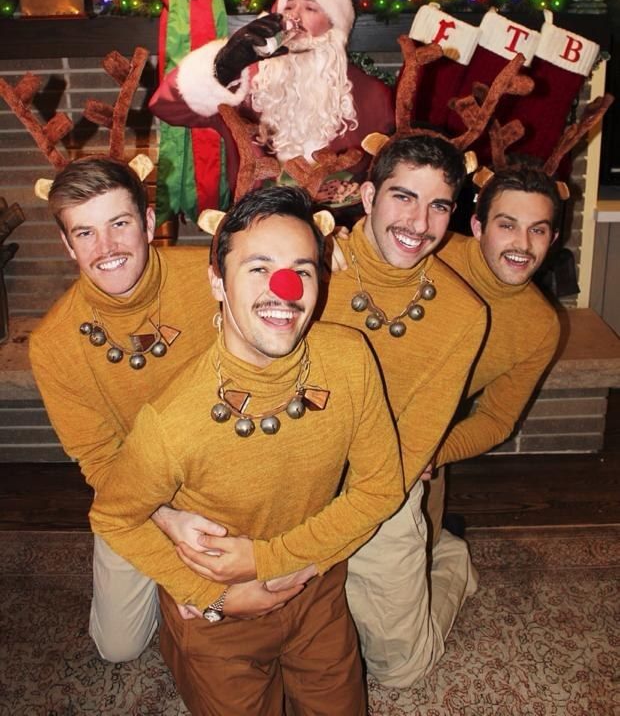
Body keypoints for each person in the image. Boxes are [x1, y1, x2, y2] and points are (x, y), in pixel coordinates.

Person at [89, 186, 404, 715]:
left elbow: (380, 487)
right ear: (217, 280)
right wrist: (206, 593)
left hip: (316, 587)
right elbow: (113, 517)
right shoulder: (172, 421)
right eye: (259, 268)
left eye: (302, 270)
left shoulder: (350, 359)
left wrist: (269, 560)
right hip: (220, 623)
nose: (285, 289)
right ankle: (177, 639)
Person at [28, 156, 237, 663]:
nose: (106, 249)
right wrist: (166, 519)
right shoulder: (52, 343)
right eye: (85, 233)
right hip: (137, 495)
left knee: (239, 615)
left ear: (147, 222)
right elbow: (100, 461)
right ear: (67, 243)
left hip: (229, 470)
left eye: (119, 224)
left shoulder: (212, 279)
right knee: (118, 647)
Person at [314, 133, 488, 688]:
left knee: (399, 670)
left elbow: (416, 440)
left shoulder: (464, 312)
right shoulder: (313, 264)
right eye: (403, 197)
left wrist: (340, 530)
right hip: (296, 469)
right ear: (368, 197)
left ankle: (450, 559)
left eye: (439, 205)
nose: (419, 222)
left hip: (384, 480)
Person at [148, 0, 394, 206]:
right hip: (256, 223)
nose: (295, 17)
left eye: (310, 8)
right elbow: (167, 107)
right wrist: (223, 66)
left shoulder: (372, 95)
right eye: (288, 7)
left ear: (334, 24)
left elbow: (388, 172)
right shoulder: (246, 81)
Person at [426, 163, 562, 538]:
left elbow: (497, 419)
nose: (522, 244)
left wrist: (433, 454)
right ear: (477, 227)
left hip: (422, 442)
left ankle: (447, 547)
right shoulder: (429, 253)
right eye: (507, 225)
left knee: (414, 576)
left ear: (552, 240)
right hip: (350, 417)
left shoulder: (541, 325)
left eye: (538, 230)